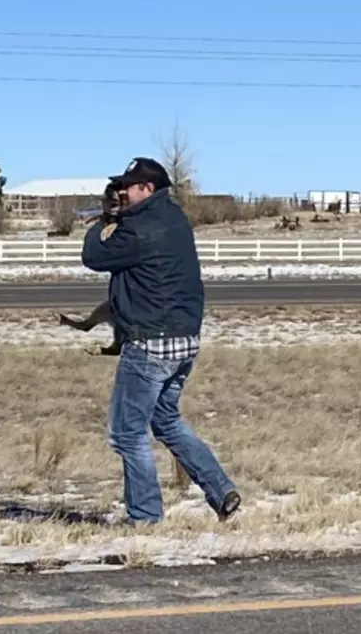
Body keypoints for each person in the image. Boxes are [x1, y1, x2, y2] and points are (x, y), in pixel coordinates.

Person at [81, 156, 241, 526]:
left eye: (128, 186)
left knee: (127, 433)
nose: (121, 191)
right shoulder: (174, 218)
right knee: (165, 420)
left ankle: (145, 517)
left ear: (148, 189)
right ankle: (221, 491)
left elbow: (93, 256)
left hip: (151, 343)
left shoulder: (139, 230)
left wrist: (103, 220)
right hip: (185, 341)